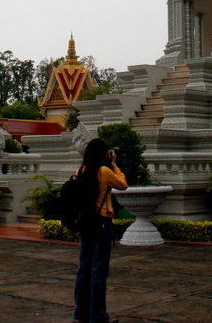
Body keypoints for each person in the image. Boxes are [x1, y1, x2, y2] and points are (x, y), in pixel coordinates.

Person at [74, 138, 128, 323]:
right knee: (99, 270)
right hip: (102, 223)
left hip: (86, 223)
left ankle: (80, 314)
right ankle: (98, 316)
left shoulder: (81, 170)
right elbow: (122, 185)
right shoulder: (104, 171)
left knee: (84, 268)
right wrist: (114, 165)